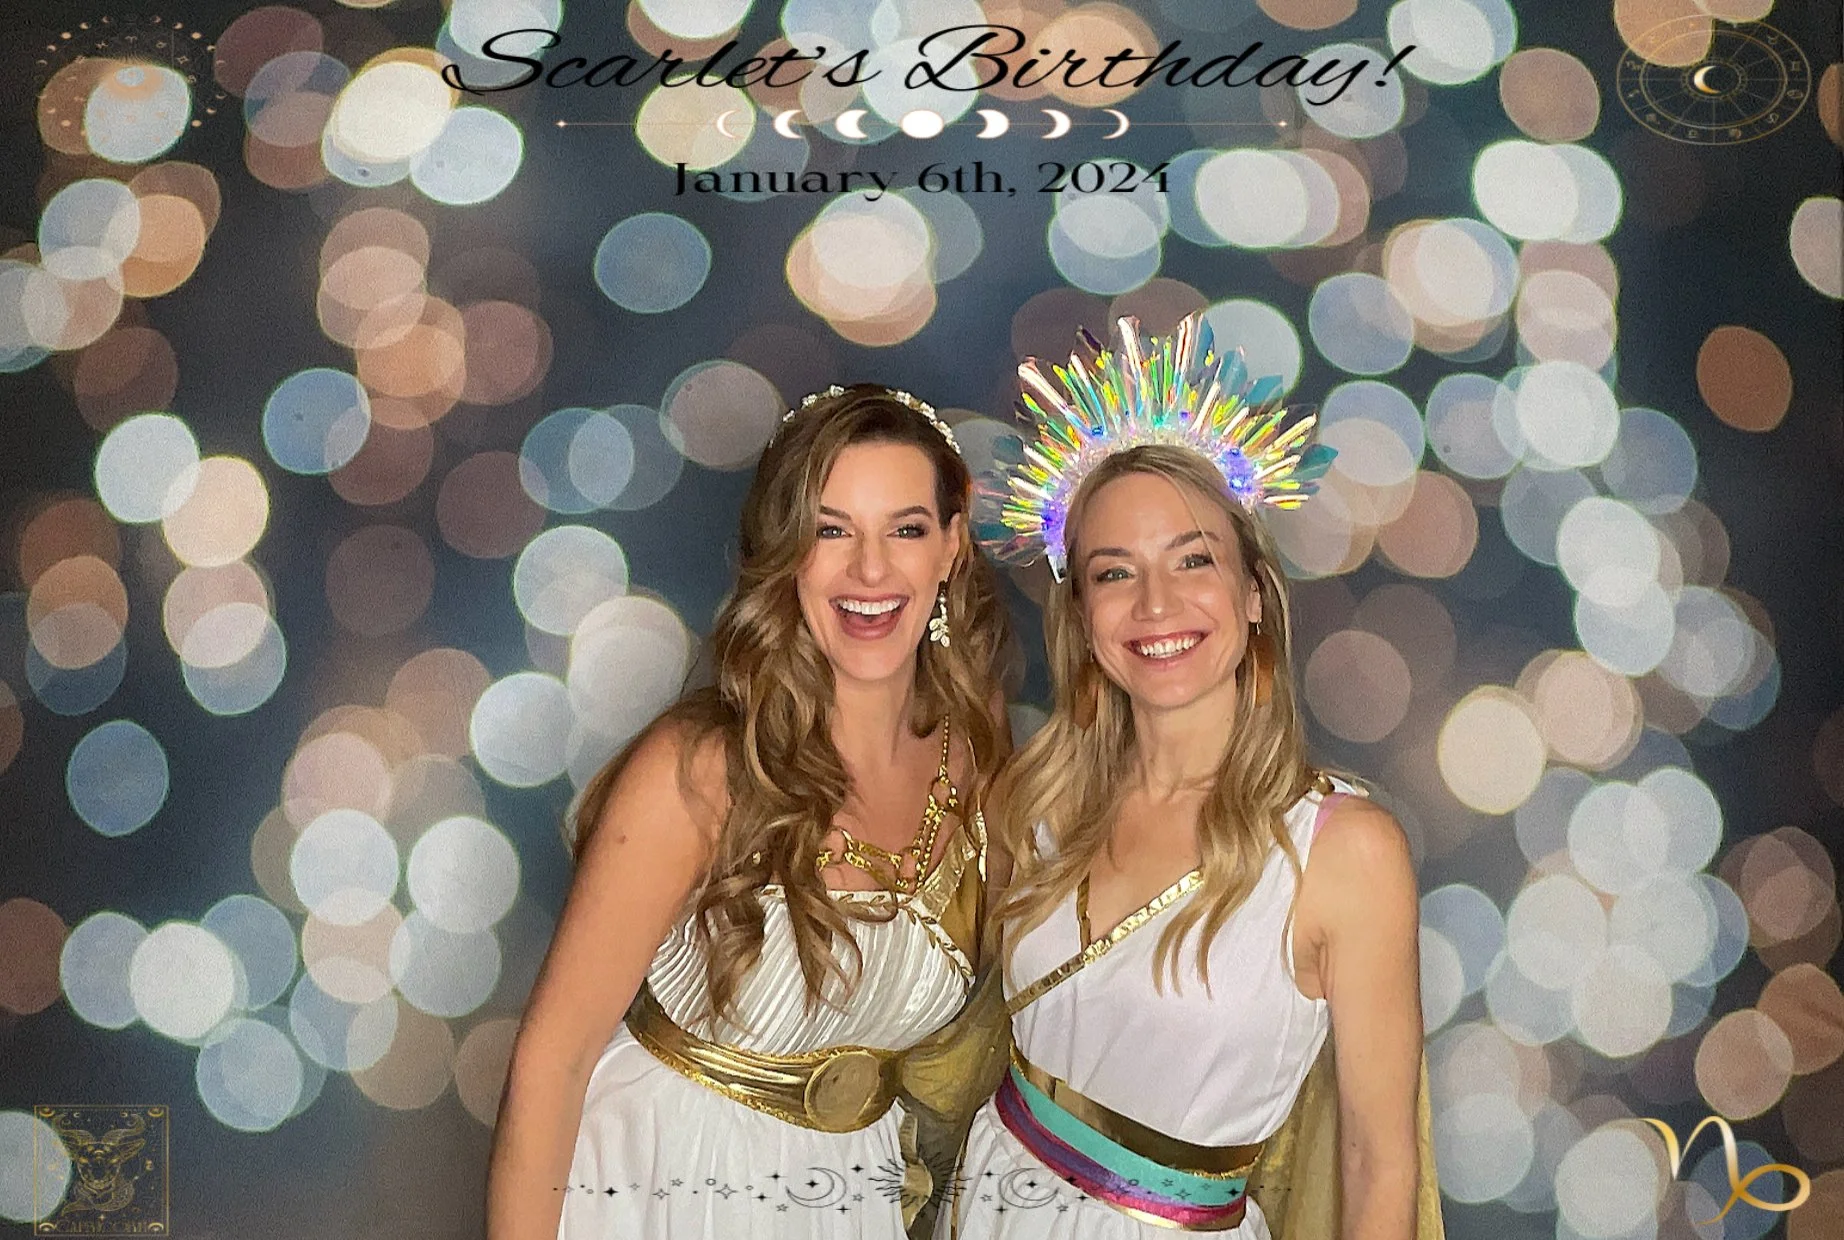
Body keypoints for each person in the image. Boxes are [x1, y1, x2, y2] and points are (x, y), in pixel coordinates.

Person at [949, 314, 1442, 1239]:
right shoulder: (1037, 802)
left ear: (1254, 594)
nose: (1157, 604)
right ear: (1082, 615)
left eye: (1194, 560)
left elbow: (1379, 1167)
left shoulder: (1345, 852)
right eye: (1113, 572)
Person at [485, 383, 1014, 1240]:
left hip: (849, 1203)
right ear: (787, 552)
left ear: (952, 547)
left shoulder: (981, 764)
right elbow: (553, 1062)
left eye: (905, 529)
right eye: (831, 529)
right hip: (656, 1187)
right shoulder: (698, 770)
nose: (870, 571)